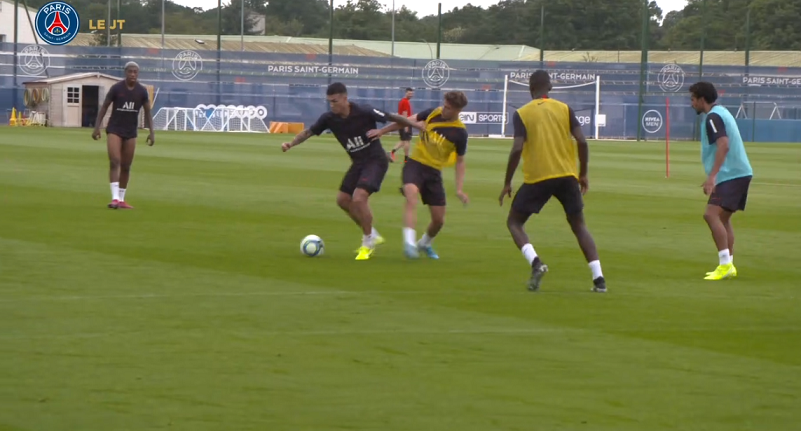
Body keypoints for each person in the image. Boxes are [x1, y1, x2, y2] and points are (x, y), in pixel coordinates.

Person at [281, 82, 423, 261]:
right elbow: (309, 132)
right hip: (358, 163)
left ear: (345, 98)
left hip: (375, 161)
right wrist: (290, 144)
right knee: (342, 200)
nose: (332, 105)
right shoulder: (329, 118)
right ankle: (372, 233)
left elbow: (394, 117)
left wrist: (416, 127)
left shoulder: (364, 111)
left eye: (335, 101)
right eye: (329, 102)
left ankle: (367, 243)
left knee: (359, 197)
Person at [498, 70, 606, 293]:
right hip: (567, 176)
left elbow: (517, 148)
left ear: (530, 89)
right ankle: (599, 280)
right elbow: (583, 142)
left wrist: (507, 182)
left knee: (514, 222)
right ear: (550, 88)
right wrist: (583, 173)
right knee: (579, 225)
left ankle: (536, 263)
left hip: (538, 177)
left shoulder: (522, 113)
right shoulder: (564, 108)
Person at [368, 91, 470, 260]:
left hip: (434, 172)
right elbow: (405, 122)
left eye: (448, 108)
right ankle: (409, 244)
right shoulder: (432, 113)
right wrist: (382, 132)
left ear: (458, 110)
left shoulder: (460, 133)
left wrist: (459, 189)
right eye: (444, 105)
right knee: (411, 195)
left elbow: (460, 162)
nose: (444, 109)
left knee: (438, 221)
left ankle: (424, 243)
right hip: (415, 164)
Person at [689, 81, 754, 281]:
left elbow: (723, 145)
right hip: (739, 173)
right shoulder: (721, 112)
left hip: (731, 174)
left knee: (710, 215)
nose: (691, 104)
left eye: (693, 99)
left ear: (702, 99)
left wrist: (712, 177)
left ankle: (724, 264)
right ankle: (729, 265)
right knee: (723, 218)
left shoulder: (713, 117)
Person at [92, 61, 154, 209]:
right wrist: (97, 127)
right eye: (130, 71)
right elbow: (104, 107)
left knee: (126, 166)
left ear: (138, 74)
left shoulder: (142, 91)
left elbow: (147, 112)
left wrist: (152, 132)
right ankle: (114, 198)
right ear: (125, 72)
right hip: (115, 129)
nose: (132, 74)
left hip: (131, 132)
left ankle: (121, 199)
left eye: (135, 72)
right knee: (115, 161)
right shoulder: (116, 88)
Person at [389, 88, 415, 163]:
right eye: (409, 93)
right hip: (405, 122)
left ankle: (392, 152)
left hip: (401, 122)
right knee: (407, 141)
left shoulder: (402, 101)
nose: (411, 95)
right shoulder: (405, 102)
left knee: (403, 140)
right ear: (406, 93)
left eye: (412, 94)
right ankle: (406, 159)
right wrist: (406, 125)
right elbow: (405, 113)